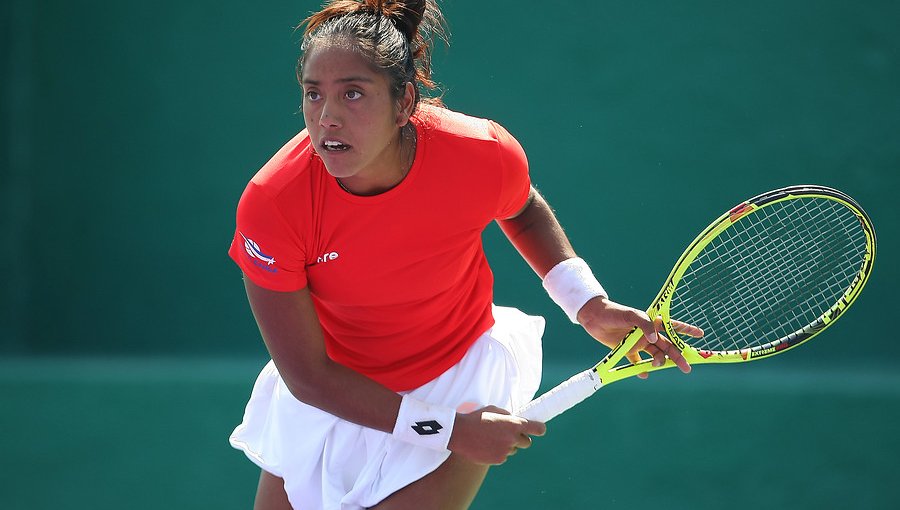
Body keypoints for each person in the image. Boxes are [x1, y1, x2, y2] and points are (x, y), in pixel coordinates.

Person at [227, 1, 698, 508]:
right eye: (313, 94)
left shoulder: (480, 153)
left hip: (458, 379)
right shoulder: (274, 203)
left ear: (404, 102)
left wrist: (585, 303)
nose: (327, 116)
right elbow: (309, 377)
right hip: (336, 392)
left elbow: (523, 209)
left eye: (353, 94)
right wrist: (449, 432)